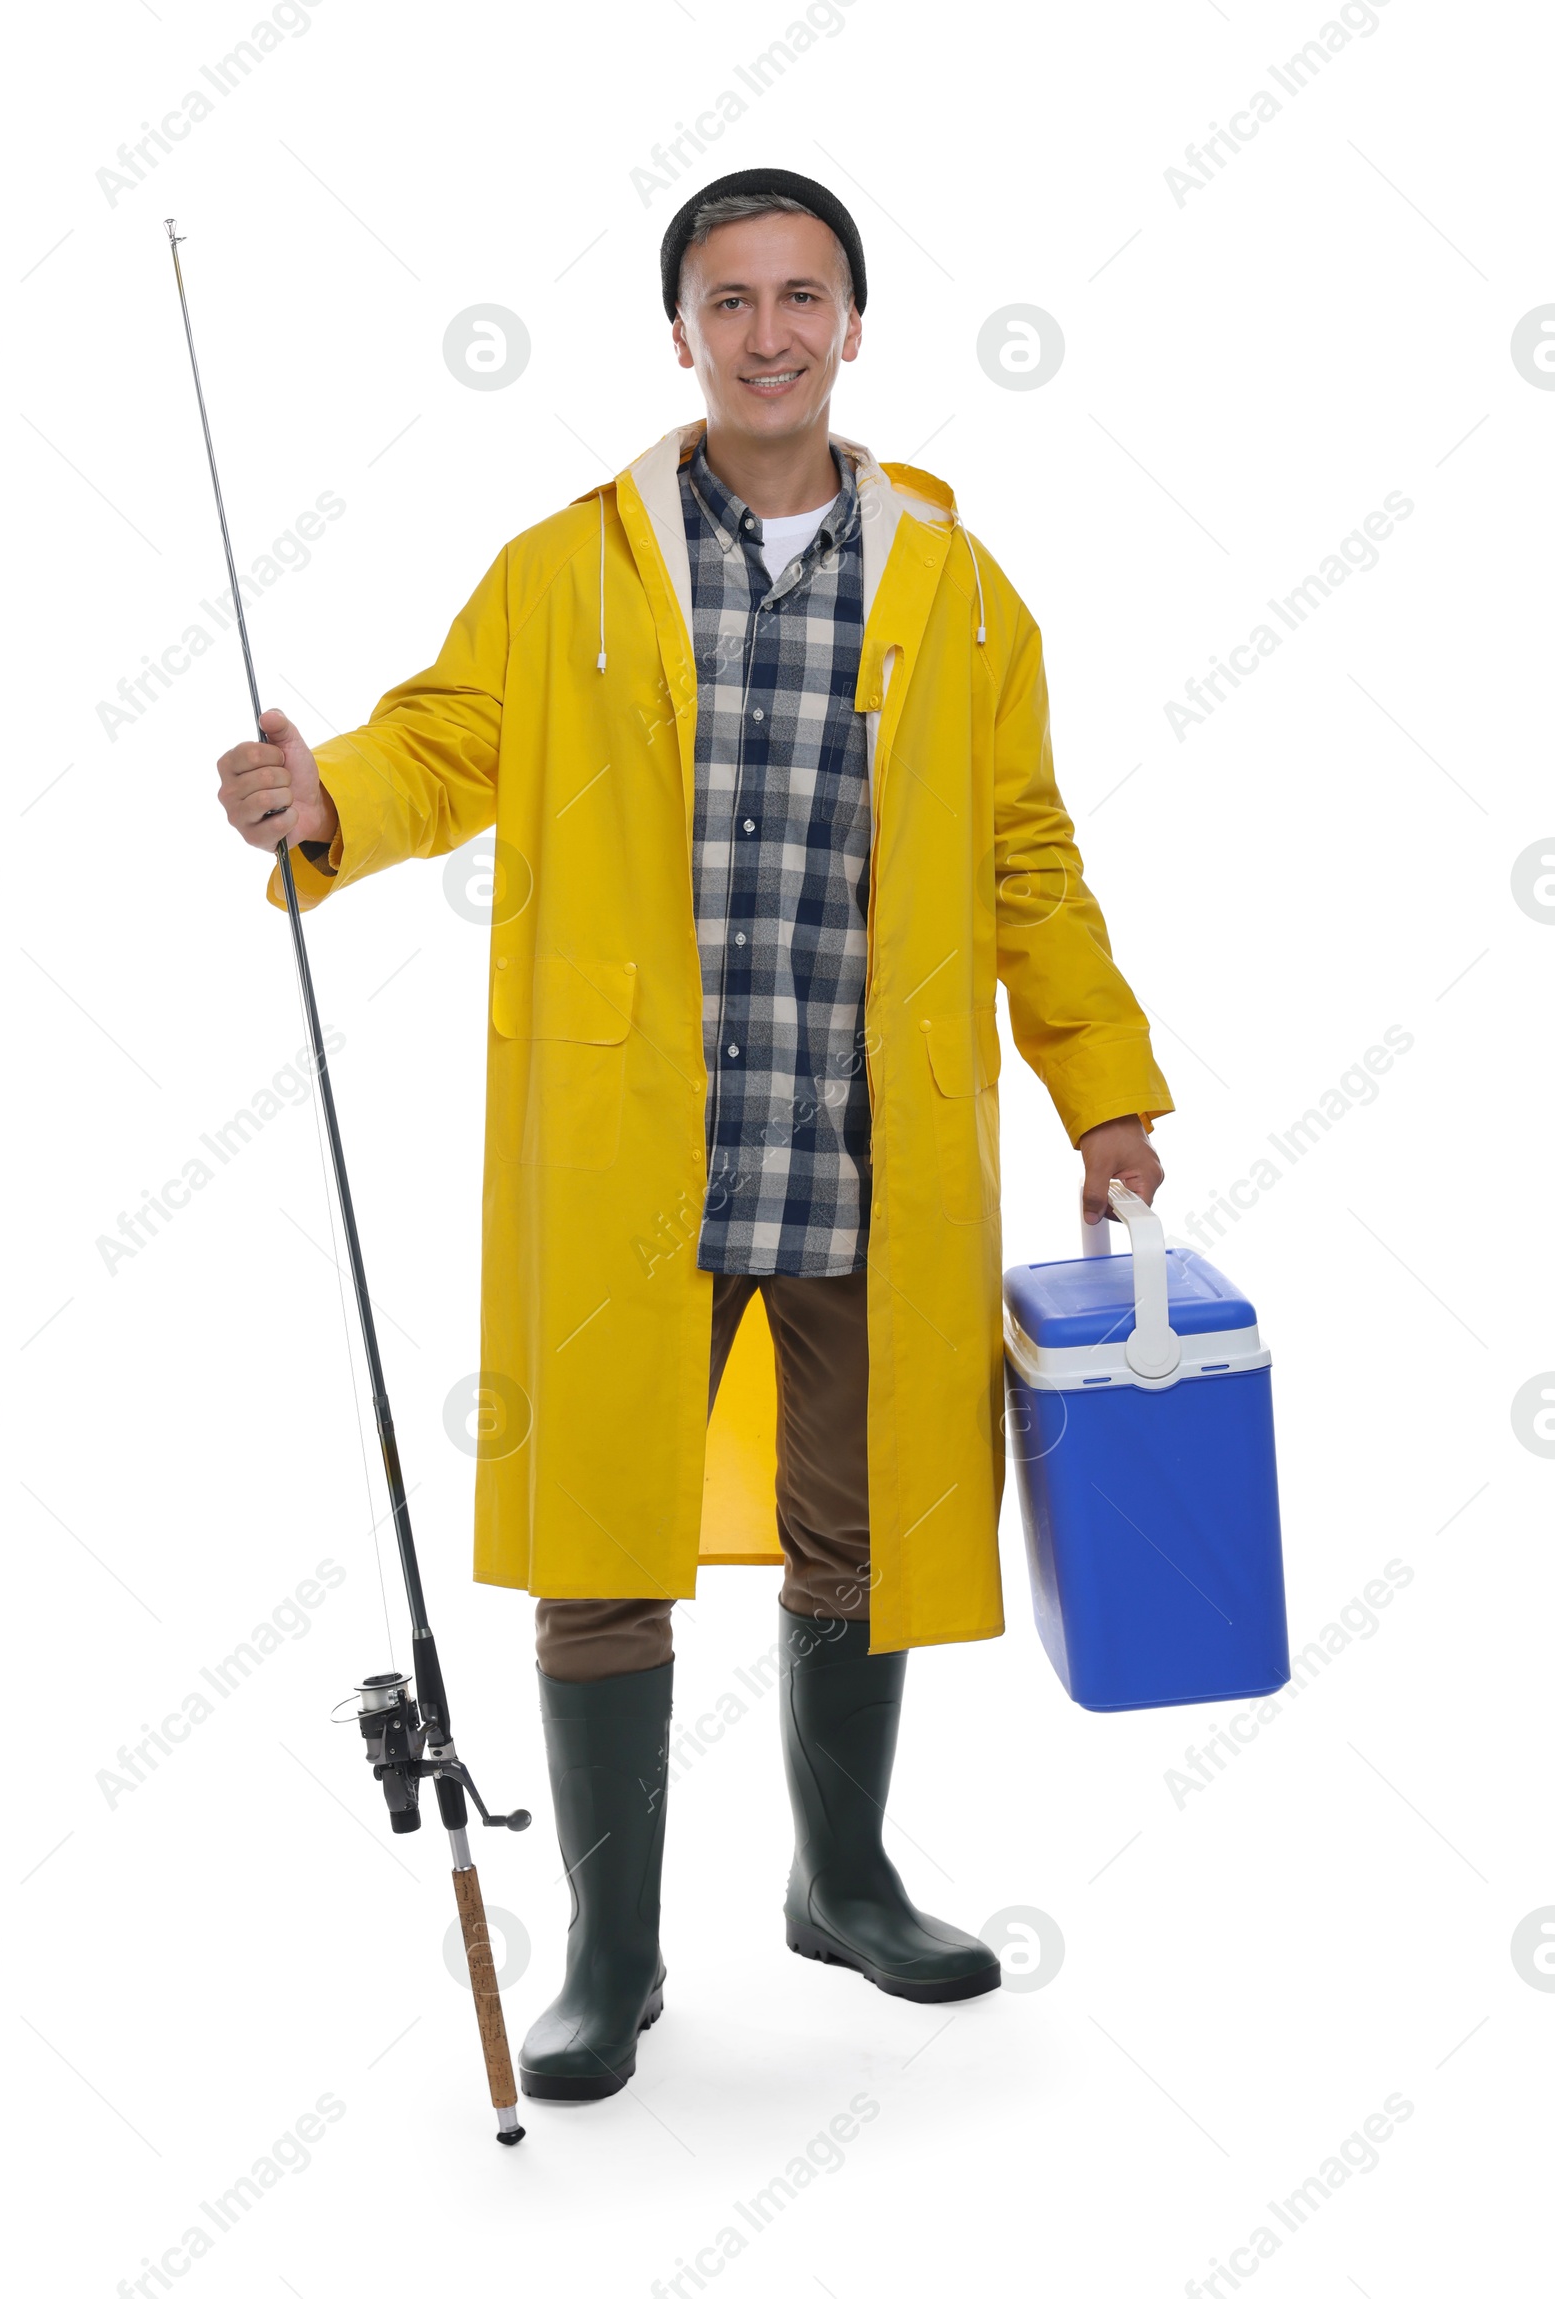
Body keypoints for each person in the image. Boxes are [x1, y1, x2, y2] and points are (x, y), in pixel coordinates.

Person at [215, 167, 1173, 2103]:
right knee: (601, 1540)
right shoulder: (569, 568)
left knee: (862, 1528)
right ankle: (613, 1952)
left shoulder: (959, 591)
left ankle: (840, 1880)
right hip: (630, 1153)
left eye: (797, 295)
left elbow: (1023, 859)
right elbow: (444, 740)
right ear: (677, 334)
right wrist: (328, 795)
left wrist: (1106, 1090)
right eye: (725, 301)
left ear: (849, 323)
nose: (763, 332)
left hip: (857, 1141)